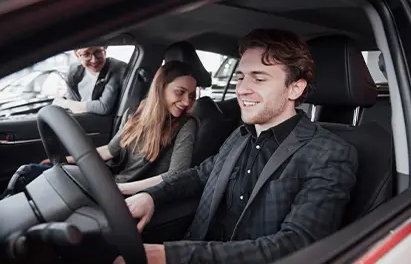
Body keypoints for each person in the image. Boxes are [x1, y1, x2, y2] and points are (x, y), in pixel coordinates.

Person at [114, 29, 358, 264]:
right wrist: (151, 196)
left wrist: (174, 256)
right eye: (241, 77)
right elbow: (200, 175)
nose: (241, 89)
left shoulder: (329, 153)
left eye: (259, 78)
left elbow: (297, 245)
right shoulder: (240, 136)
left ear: (295, 87)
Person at [26, 61, 198, 189]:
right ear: (160, 88)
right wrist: (66, 160)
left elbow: (176, 174)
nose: (186, 101)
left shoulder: (185, 125)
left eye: (190, 95)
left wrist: (120, 189)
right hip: (109, 181)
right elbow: (110, 150)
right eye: (180, 92)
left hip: (125, 191)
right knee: (30, 172)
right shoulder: (137, 114)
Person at [52, 46, 127, 115]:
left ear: (105, 51)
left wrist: (66, 103)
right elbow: (72, 101)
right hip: (82, 117)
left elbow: (104, 107)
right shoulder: (73, 71)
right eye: (86, 54)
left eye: (98, 52)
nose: (94, 60)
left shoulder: (115, 67)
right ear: (77, 55)